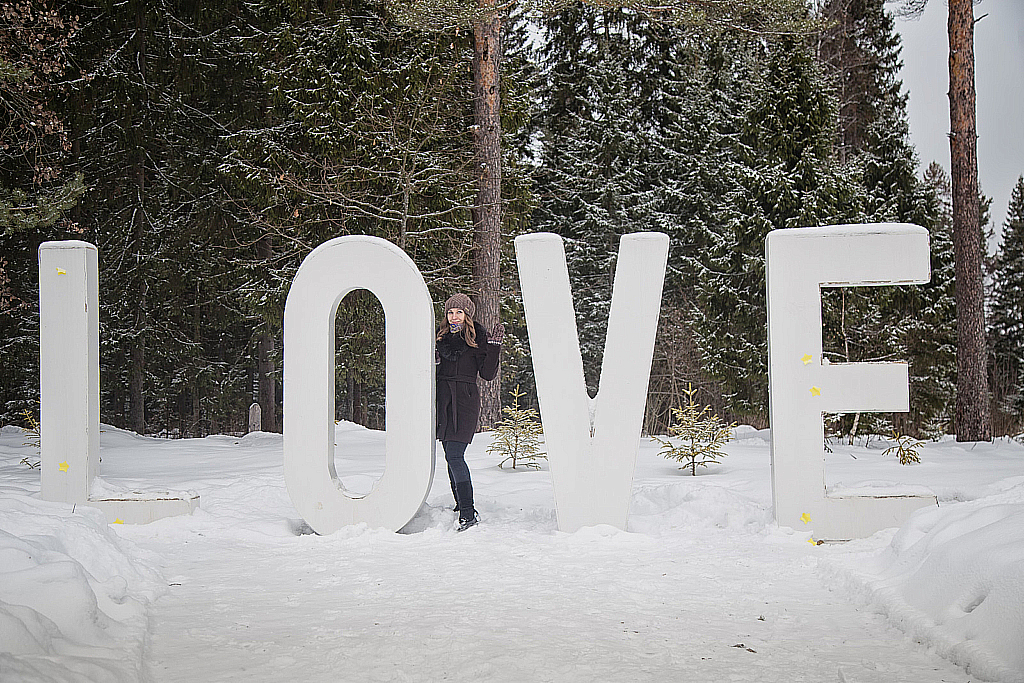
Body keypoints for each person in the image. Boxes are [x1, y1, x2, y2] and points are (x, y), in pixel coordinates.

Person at [435, 293, 503, 531]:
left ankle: (468, 512)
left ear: (467, 315)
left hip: (464, 400)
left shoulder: (478, 338)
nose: (454, 317)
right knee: (448, 454)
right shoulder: (440, 338)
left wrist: (493, 348)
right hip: (443, 399)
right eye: (451, 312)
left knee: (455, 454)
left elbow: (487, 374)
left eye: (459, 312)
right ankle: (460, 505)